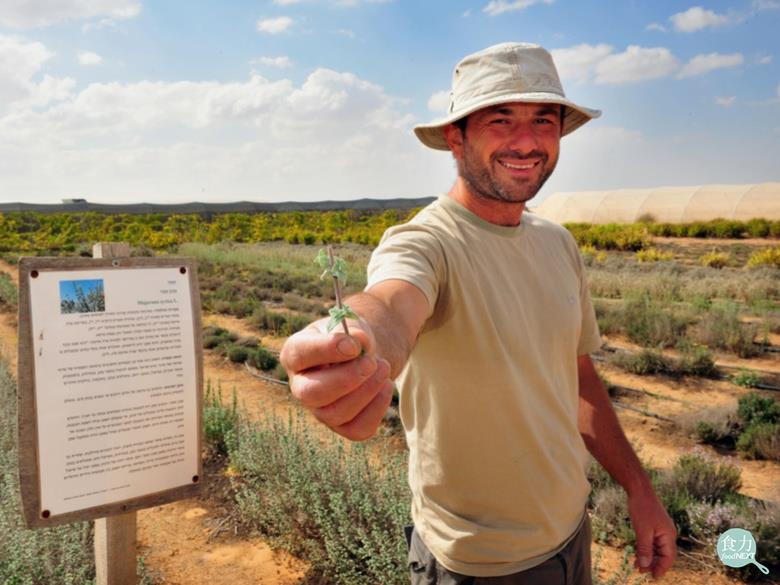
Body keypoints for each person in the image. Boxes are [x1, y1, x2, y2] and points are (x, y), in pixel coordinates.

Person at [280, 42, 677, 584]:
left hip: (570, 536)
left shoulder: (558, 243)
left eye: (543, 118)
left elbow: (578, 377)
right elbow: (392, 304)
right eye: (499, 119)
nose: (526, 140)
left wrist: (639, 488)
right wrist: (361, 341)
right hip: (479, 567)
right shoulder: (426, 242)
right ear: (455, 137)